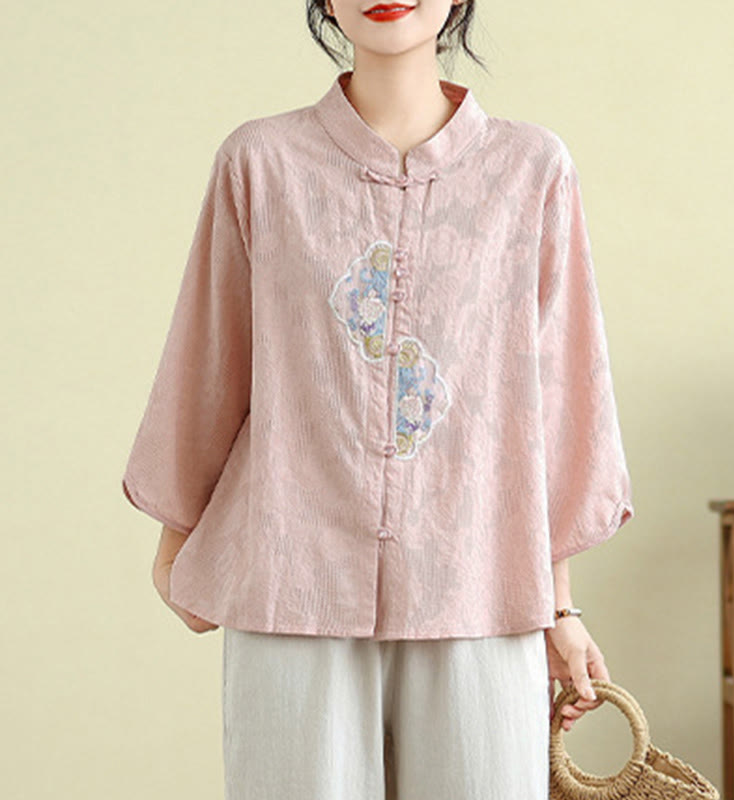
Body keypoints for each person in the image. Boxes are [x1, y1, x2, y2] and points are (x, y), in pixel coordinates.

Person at [122, 1, 635, 797]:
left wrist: (559, 608)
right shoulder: (261, 163)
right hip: (293, 581)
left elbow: (556, 395)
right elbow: (211, 356)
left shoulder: (530, 169)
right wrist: (176, 543)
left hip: (479, 584)